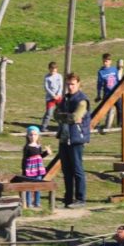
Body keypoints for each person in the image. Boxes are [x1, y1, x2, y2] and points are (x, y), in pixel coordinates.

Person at [54, 72, 90, 208]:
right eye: (68, 84)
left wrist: (65, 117)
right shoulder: (65, 99)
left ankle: (80, 198)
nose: (70, 87)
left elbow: (76, 117)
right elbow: (55, 114)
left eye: (72, 84)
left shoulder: (82, 100)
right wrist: (66, 117)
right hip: (64, 138)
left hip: (76, 138)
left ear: (78, 84)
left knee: (77, 169)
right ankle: (68, 198)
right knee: (66, 170)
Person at [21, 126, 51, 208]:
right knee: (29, 186)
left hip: (38, 169)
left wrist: (47, 152)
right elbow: (24, 159)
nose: (33, 136)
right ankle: (28, 203)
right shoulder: (27, 147)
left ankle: (37, 203)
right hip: (29, 169)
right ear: (28, 136)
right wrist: (24, 170)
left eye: (35, 134)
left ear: (38, 136)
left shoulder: (39, 146)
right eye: (31, 135)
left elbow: (40, 156)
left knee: (38, 185)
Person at [96, 53, 122, 129]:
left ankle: (120, 124)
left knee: (120, 108)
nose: (105, 63)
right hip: (107, 94)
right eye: (104, 61)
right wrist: (98, 94)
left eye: (107, 61)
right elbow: (99, 84)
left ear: (110, 61)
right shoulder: (101, 72)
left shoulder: (114, 69)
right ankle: (98, 122)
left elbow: (118, 80)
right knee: (104, 109)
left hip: (116, 93)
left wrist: (120, 91)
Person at [41, 61, 63, 132]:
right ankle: (44, 127)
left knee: (60, 112)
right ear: (49, 69)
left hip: (59, 97)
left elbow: (61, 86)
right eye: (51, 70)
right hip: (50, 98)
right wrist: (53, 95)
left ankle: (61, 126)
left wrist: (58, 94)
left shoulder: (59, 76)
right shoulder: (47, 77)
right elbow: (46, 88)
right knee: (49, 113)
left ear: (56, 69)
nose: (53, 72)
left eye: (54, 70)